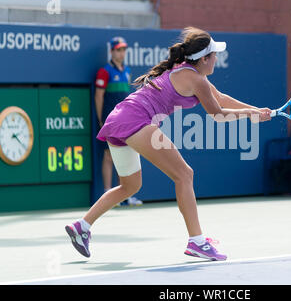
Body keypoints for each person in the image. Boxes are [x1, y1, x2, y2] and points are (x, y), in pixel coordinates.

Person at [65, 27, 272, 261]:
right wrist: (251, 115)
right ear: (204, 59)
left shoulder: (189, 72)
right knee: (184, 174)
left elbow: (221, 98)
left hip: (118, 118)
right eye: (214, 54)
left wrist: (256, 111)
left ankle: (82, 226)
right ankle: (197, 242)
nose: (217, 58)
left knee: (130, 187)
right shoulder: (196, 79)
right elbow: (218, 113)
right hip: (136, 119)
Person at [94, 36, 143, 207]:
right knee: (108, 155)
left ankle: (126, 195)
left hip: (126, 119)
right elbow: (99, 96)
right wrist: (101, 119)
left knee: (126, 154)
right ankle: (108, 194)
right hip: (110, 119)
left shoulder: (127, 70)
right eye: (118, 50)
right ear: (112, 51)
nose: (121, 53)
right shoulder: (104, 72)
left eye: (123, 50)